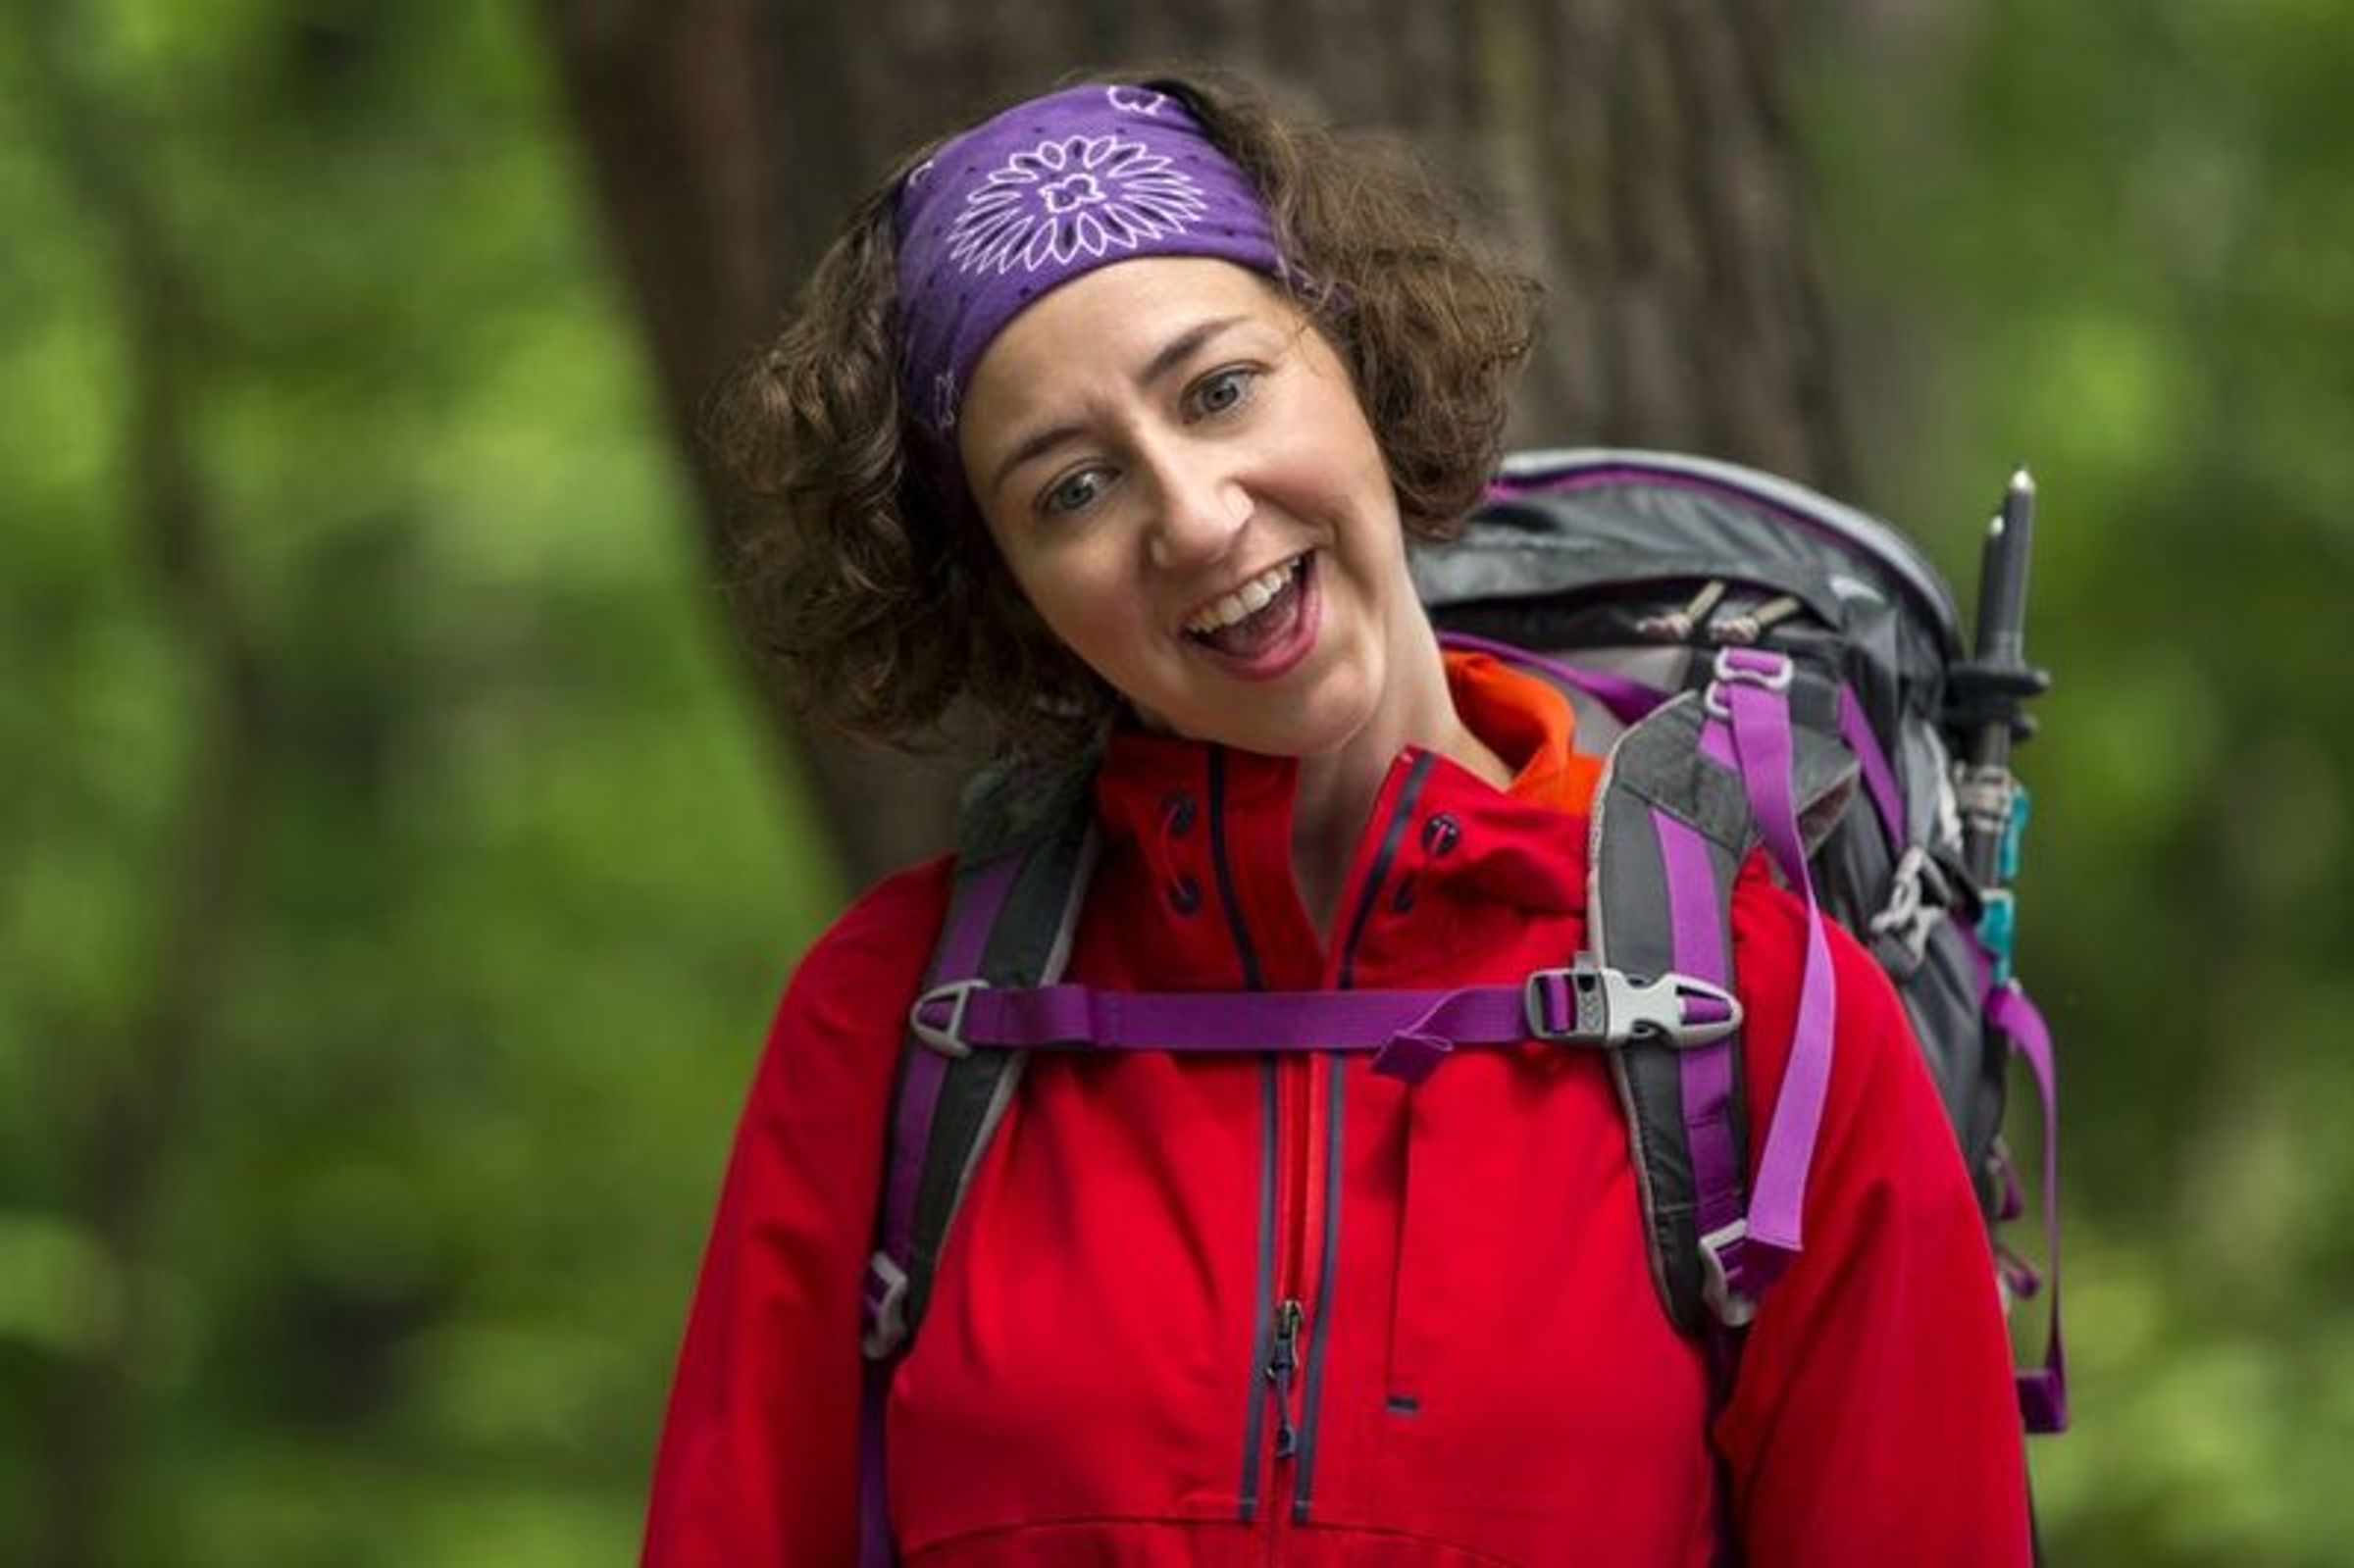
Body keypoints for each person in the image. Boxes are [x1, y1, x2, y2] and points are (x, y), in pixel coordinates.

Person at [642, 72, 2033, 1566]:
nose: (1195, 517)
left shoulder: (1767, 1018)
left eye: (1220, 390)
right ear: (1008, 591)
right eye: (1075, 489)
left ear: (1358, 357)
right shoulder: (892, 1022)